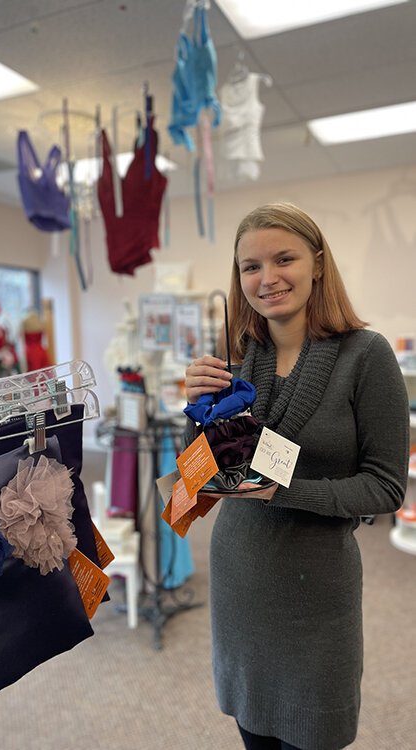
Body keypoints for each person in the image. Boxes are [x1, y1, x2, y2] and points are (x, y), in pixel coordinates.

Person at [184, 202, 409, 750]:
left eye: (284, 258)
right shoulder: (234, 357)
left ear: (316, 262)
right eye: (250, 267)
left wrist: (288, 491)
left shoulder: (366, 355)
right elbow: (202, 473)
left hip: (316, 594)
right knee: (253, 736)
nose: (267, 278)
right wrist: (191, 413)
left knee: (315, 733)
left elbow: (385, 487)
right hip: (240, 583)